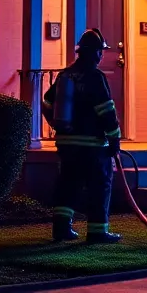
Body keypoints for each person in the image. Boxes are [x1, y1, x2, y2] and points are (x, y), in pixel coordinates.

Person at [41, 28, 123, 243]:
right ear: (95, 53)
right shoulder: (95, 77)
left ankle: (61, 230)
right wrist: (115, 138)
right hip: (92, 145)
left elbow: (47, 102)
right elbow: (106, 110)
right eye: (100, 51)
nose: (102, 55)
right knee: (99, 185)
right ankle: (97, 232)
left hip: (67, 143)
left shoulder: (65, 75)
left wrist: (57, 124)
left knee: (68, 184)